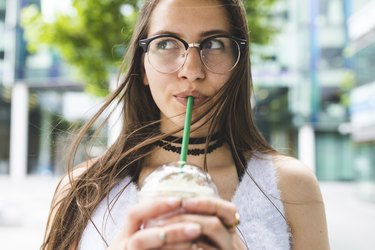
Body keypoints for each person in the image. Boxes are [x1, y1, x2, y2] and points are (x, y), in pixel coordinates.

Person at [42, 0, 330, 249]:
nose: (191, 71)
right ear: (143, 66)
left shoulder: (291, 186)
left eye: (214, 44)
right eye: (165, 43)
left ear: (239, 62)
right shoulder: (82, 188)